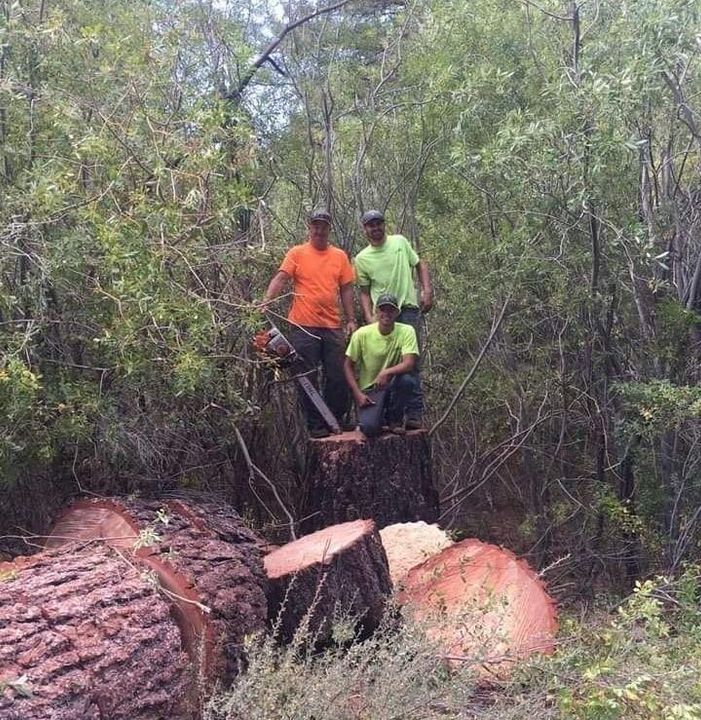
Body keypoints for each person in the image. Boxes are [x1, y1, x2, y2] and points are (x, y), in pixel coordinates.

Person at [262, 209, 356, 439]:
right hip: (303, 326)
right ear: (309, 227)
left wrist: (351, 319)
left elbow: (346, 289)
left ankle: (337, 417)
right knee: (307, 377)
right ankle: (316, 424)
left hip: (332, 325)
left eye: (323, 225)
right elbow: (281, 278)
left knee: (337, 374)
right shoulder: (297, 253)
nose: (319, 229)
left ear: (329, 228)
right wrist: (265, 303)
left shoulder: (339, 256)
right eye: (315, 225)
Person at [353, 209, 432, 429]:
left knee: (410, 363)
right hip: (383, 314)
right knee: (383, 363)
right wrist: (369, 315)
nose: (375, 228)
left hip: (406, 309)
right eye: (370, 225)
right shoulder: (362, 258)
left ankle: (414, 414)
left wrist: (427, 290)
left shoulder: (399, 242)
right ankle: (388, 415)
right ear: (365, 229)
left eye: (378, 223)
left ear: (384, 225)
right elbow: (365, 291)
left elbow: (420, 264)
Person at [344, 292, 419, 437]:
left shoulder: (406, 331)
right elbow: (348, 365)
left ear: (397, 312)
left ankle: (395, 420)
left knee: (408, 381)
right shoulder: (361, 334)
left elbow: (409, 363)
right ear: (376, 311)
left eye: (390, 310)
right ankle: (377, 418)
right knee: (370, 428)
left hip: (392, 385)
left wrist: (386, 372)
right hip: (371, 389)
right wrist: (357, 393)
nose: (386, 313)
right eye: (383, 309)